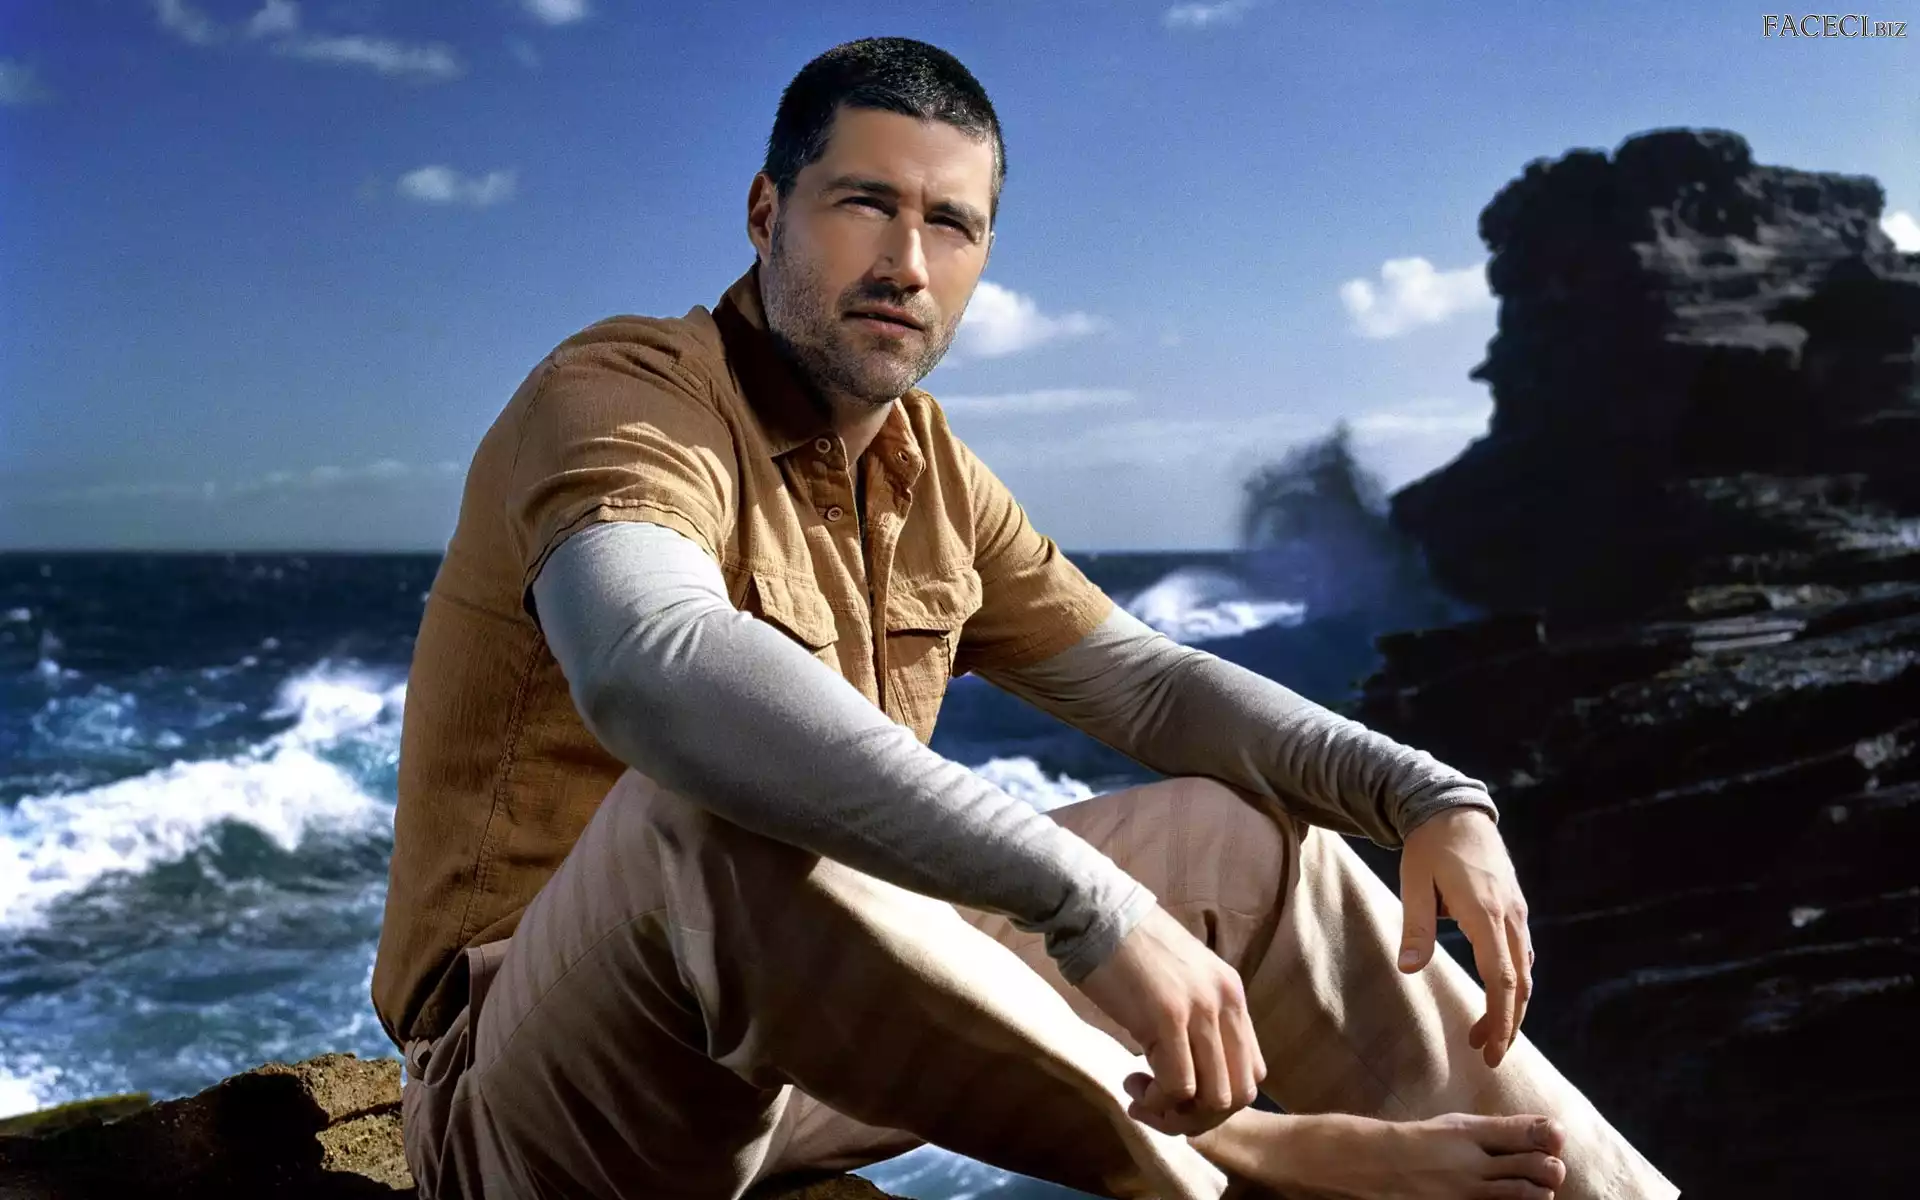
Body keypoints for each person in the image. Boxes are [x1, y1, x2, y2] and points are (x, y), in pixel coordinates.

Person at [371, 35, 1678, 1200]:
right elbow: (649, 662)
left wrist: (1427, 793)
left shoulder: (931, 471)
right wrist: (1087, 906)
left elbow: (1152, 688)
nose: (906, 263)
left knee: (1250, 844)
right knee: (711, 801)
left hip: (808, 1055)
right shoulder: (624, 394)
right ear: (767, 212)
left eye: (952, 224)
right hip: (538, 1080)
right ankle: (1242, 1161)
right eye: (865, 205)